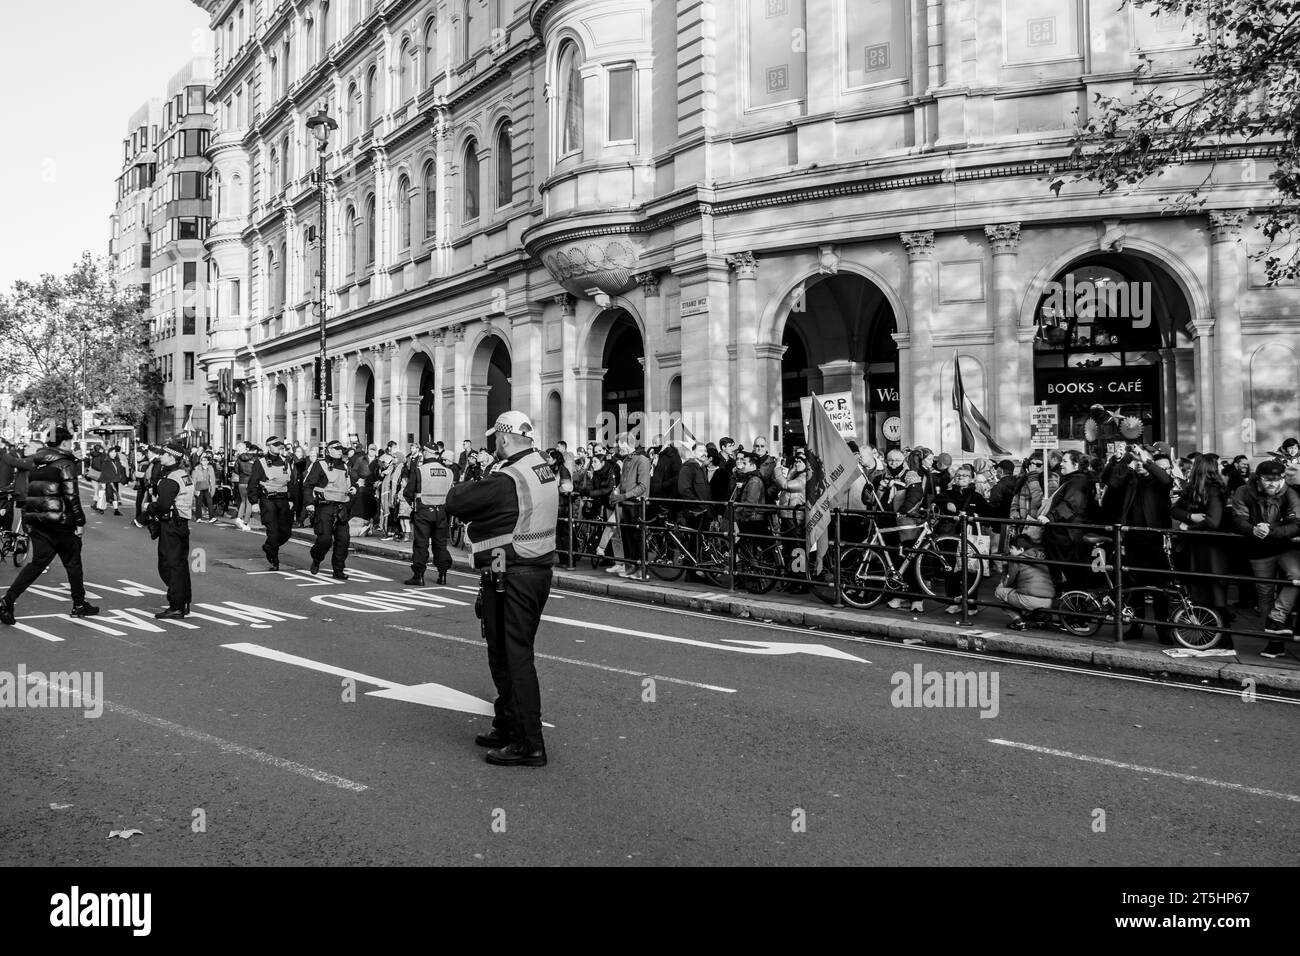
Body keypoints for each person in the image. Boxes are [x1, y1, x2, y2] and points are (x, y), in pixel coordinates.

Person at [445, 410, 558, 768]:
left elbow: (457, 501)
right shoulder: (541, 466)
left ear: (505, 439)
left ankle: (529, 743)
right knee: (502, 650)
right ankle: (508, 724)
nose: (494, 443)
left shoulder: (508, 476)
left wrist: (480, 473)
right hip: (519, 567)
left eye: (496, 438)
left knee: (514, 657)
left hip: (514, 572)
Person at [0, 427, 99, 626]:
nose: (71, 446)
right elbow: (71, 496)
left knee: (37, 564)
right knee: (73, 563)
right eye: (70, 443)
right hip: (60, 521)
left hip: (38, 521)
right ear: (64, 443)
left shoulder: (37, 464)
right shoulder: (64, 464)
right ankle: (79, 605)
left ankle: (7, 600)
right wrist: (79, 522)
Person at [1229, 459, 1300, 659]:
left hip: (1285, 546)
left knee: (1296, 575)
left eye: (1278, 480)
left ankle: (1277, 617)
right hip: (1258, 549)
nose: (1273, 484)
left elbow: (1297, 523)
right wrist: (1252, 528)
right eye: (1268, 480)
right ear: (1258, 479)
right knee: (1265, 593)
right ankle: (1274, 643)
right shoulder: (1244, 491)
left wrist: (1271, 531)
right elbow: (1237, 519)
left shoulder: (1289, 492)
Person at [1171, 454, 1232, 644]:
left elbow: (1213, 522)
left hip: (1210, 549)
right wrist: (1191, 516)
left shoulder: (1213, 491)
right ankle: (1212, 637)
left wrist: (1188, 527)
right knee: (1202, 593)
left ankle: (1221, 638)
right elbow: (1174, 510)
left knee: (1214, 593)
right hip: (1202, 549)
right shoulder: (1195, 490)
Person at [146, 442, 194, 619]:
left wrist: (149, 508)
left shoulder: (171, 478)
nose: (160, 456)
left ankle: (176, 605)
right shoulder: (184, 475)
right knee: (180, 564)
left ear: (172, 457)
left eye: (164, 454)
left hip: (171, 525)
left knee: (168, 565)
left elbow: (163, 504)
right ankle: (184, 601)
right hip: (182, 523)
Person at [1034, 450, 1094, 590]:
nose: (1061, 463)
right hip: (1068, 531)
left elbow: (1069, 504)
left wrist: (1049, 517)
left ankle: (1068, 596)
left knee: (1067, 570)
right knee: (1069, 570)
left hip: (1067, 533)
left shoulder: (1077, 481)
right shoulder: (1074, 479)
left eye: (1065, 461)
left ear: (1076, 465)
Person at [403, 441, 454, 586]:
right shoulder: (448, 472)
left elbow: (407, 492)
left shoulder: (420, 470)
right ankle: (442, 574)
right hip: (442, 512)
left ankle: (418, 576)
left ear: (426, 453)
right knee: (440, 544)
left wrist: (414, 506)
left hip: (424, 511)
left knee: (421, 544)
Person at [304, 440, 357, 580]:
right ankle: (317, 559)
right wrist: (309, 503)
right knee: (325, 540)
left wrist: (354, 488)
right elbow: (308, 485)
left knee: (343, 541)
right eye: (337, 449)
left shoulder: (345, 466)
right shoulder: (320, 464)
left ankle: (338, 570)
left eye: (341, 449)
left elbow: (353, 481)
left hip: (341, 508)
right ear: (329, 450)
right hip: (324, 507)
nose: (340, 451)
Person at [249, 436, 294, 571]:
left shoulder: (286, 461)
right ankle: (274, 560)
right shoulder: (260, 462)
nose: (278, 447)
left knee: (286, 533)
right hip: (268, 500)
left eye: (279, 445)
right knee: (273, 532)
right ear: (268, 447)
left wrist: (292, 499)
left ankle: (269, 546)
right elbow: (253, 483)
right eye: (275, 445)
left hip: (283, 500)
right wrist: (254, 502)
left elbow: (291, 482)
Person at [608, 436, 651, 578]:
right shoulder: (627, 460)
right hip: (626, 504)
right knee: (626, 536)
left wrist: (623, 496)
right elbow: (623, 482)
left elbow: (643, 486)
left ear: (626, 443)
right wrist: (616, 492)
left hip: (636, 504)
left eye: (619, 444)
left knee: (637, 537)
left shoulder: (642, 460)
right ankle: (631, 566)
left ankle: (640, 569)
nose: (618, 447)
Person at [994, 534, 1056, 630]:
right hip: (1048, 602)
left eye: (1012, 548)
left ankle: (1018, 621)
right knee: (1021, 592)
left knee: (999, 591)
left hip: (1030, 600)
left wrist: (1005, 567)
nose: (1010, 551)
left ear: (1021, 550)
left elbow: (1008, 583)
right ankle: (1040, 618)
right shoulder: (1040, 557)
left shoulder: (1016, 560)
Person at [100, 446, 128, 516]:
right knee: (109, 496)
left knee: (113, 496)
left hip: (115, 481)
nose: (114, 453)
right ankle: (102, 508)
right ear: (109, 453)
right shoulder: (106, 461)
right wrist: (103, 482)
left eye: (115, 452)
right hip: (108, 481)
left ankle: (115, 510)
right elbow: (103, 472)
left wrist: (123, 466)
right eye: (112, 452)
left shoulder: (117, 461)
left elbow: (120, 471)